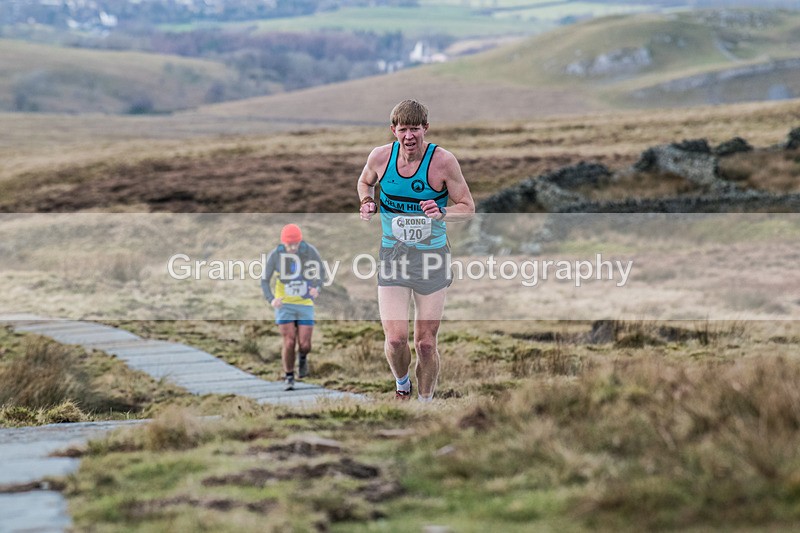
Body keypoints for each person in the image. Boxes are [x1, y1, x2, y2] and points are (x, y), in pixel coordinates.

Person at [356, 99, 475, 401]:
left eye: (415, 130)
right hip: (393, 256)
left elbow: (467, 208)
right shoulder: (381, 157)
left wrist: (443, 212)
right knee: (396, 340)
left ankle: (425, 405)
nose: (409, 136)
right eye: (403, 130)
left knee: (425, 344)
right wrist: (367, 201)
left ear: (426, 129)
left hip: (431, 257)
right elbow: (365, 181)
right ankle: (402, 385)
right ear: (393, 130)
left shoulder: (444, 162)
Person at [261, 223, 323, 391]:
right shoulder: (276, 254)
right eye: (289, 245)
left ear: (300, 242)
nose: (293, 248)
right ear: (283, 243)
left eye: (295, 244)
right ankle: (289, 376)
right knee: (289, 342)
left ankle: (302, 357)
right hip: (285, 304)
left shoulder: (309, 251)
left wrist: (316, 288)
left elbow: (322, 272)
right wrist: (271, 299)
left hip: (304, 303)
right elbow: (264, 280)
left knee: (304, 344)